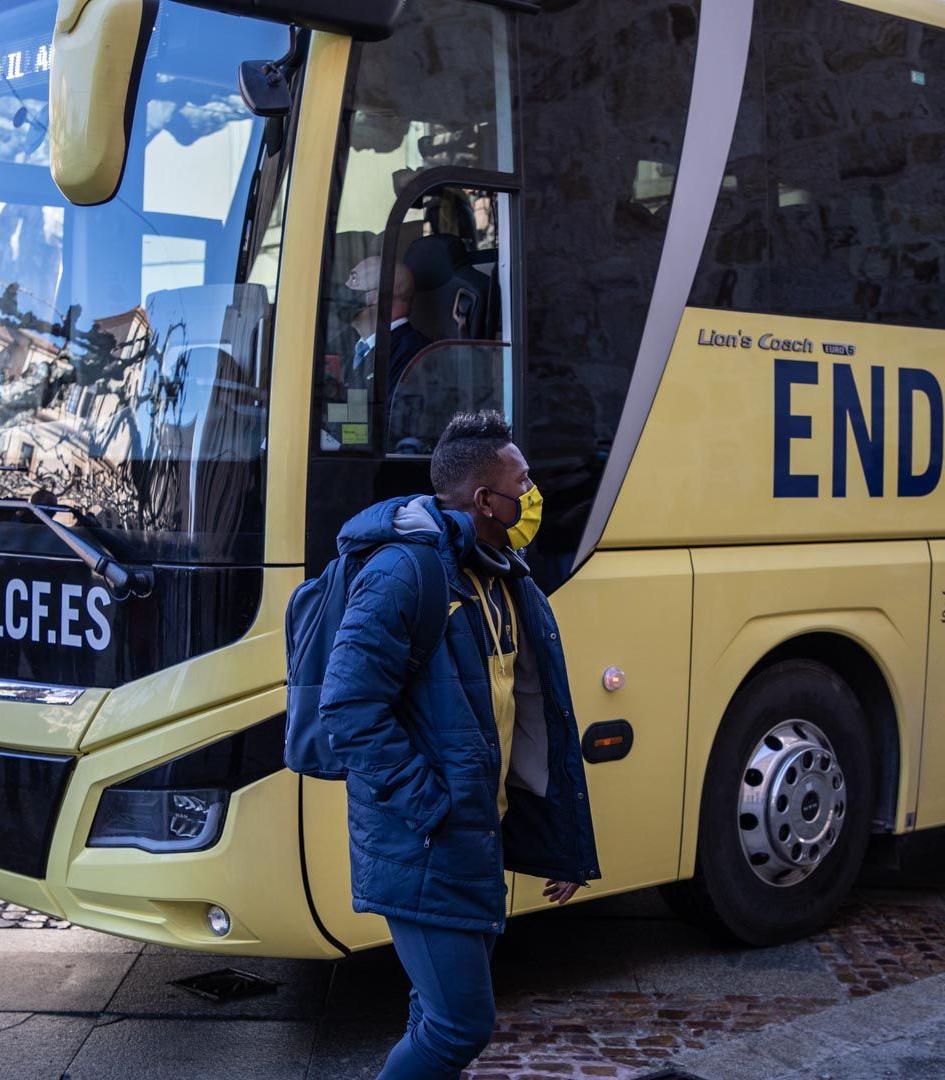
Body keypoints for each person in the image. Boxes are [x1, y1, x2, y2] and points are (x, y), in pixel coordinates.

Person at [319, 410, 600, 1079]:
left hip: (472, 836)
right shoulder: (405, 573)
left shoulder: (500, 572)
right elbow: (348, 707)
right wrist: (433, 805)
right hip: (427, 841)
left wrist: (555, 836)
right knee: (458, 1026)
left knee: (432, 1014)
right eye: (522, 481)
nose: (533, 493)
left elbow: (523, 715)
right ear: (484, 499)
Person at [342, 255, 432, 391]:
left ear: (379, 294)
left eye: (354, 279)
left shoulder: (414, 356)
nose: (346, 286)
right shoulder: (353, 350)